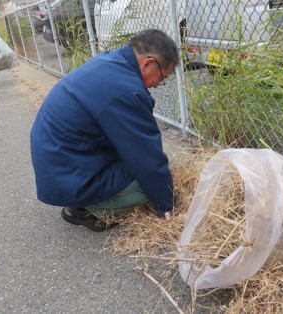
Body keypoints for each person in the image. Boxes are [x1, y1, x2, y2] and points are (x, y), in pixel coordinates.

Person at [29, 29, 178, 231]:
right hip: (69, 172)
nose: (158, 85)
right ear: (148, 63)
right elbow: (148, 158)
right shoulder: (127, 91)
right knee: (147, 185)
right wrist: (168, 207)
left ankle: (82, 199)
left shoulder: (110, 62)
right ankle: (91, 208)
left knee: (145, 168)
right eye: (162, 77)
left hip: (60, 161)